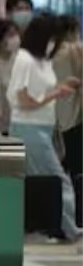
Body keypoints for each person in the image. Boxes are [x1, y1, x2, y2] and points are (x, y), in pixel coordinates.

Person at [9, 15, 82, 242]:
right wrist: (54, 94)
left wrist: (61, 86)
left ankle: (50, 227)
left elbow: (41, 91)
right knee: (58, 179)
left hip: (44, 127)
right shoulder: (24, 59)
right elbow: (23, 99)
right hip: (28, 127)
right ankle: (70, 228)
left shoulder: (43, 60)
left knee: (40, 180)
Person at [54, 16, 83, 229]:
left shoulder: (50, 53)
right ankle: (78, 217)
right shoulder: (75, 50)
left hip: (58, 119)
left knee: (63, 171)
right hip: (76, 117)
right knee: (78, 172)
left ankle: (62, 219)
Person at [0, 19, 21, 134]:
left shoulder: (22, 59)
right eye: (10, 35)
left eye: (16, 34)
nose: (15, 38)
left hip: (19, 123)